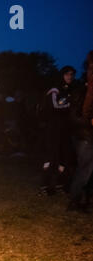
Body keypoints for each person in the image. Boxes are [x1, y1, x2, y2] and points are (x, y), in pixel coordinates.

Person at [39, 66, 76, 196]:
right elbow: (55, 105)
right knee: (50, 157)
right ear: (62, 75)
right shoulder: (55, 89)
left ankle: (60, 185)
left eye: (72, 74)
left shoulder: (69, 90)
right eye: (67, 74)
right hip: (53, 129)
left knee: (63, 158)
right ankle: (44, 186)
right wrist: (70, 103)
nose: (70, 77)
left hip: (64, 130)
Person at [68, 52, 93, 212]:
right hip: (84, 135)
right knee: (85, 168)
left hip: (86, 134)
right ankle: (74, 201)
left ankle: (84, 200)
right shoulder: (83, 90)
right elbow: (76, 115)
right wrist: (89, 120)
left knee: (88, 169)